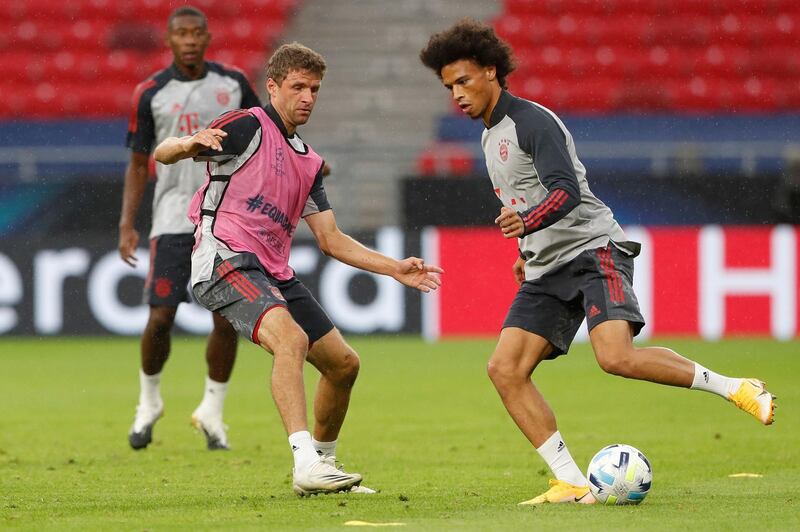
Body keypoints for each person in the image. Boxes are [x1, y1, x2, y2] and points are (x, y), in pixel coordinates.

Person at [419, 19, 776, 505]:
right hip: (545, 266)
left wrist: (525, 227)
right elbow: (526, 200)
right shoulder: (488, 137)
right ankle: (570, 481)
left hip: (592, 249)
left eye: (463, 81)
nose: (456, 94)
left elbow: (564, 192)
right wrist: (525, 253)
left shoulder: (531, 122)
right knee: (504, 369)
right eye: (448, 87)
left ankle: (735, 386)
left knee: (616, 357)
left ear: (491, 72)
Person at [153, 42, 443, 496]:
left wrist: (393, 268)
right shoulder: (248, 125)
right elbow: (163, 153)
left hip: (271, 270)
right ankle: (304, 460)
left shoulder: (308, 162)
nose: (307, 96)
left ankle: (324, 468)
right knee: (291, 338)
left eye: (314, 89)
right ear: (273, 87)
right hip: (223, 256)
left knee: (344, 365)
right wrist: (187, 143)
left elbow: (331, 239)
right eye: (298, 87)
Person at [119, 6, 262, 451]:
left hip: (225, 218)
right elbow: (140, 164)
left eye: (196, 32)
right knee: (161, 315)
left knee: (225, 317)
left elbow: (266, 136)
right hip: (171, 216)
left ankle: (213, 413)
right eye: (181, 33)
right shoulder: (151, 93)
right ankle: (149, 403)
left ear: (208, 37)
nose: (189, 40)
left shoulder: (233, 84)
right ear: (169, 39)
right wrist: (127, 223)